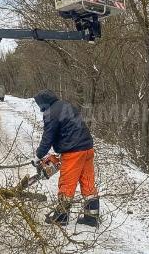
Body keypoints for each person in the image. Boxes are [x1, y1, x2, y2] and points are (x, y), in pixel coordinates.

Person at [33, 89, 99, 226]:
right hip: (87, 148)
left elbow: (48, 137)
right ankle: (91, 217)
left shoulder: (51, 112)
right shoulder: (66, 105)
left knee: (67, 183)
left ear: (43, 103)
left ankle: (61, 217)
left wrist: (38, 156)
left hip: (73, 151)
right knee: (88, 182)